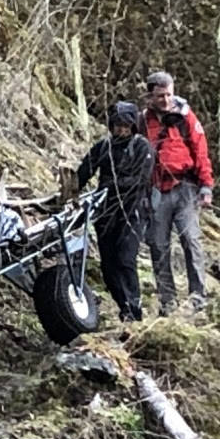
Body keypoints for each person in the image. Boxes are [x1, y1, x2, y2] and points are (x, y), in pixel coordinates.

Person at [140, 71, 215, 315]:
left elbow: (201, 150)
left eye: (169, 94)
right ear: (150, 95)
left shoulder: (185, 117)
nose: (166, 100)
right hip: (156, 190)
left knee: (190, 240)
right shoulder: (142, 121)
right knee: (158, 245)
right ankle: (167, 301)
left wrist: (206, 186)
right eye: (160, 95)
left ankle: (198, 298)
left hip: (186, 188)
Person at [77, 101, 154, 321]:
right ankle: (123, 305)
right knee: (108, 263)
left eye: (125, 125)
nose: (121, 129)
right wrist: (69, 191)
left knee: (125, 258)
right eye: (117, 125)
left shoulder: (142, 147)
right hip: (106, 213)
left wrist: (111, 185)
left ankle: (134, 306)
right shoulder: (104, 148)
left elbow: (141, 179)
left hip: (132, 211)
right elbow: (84, 171)